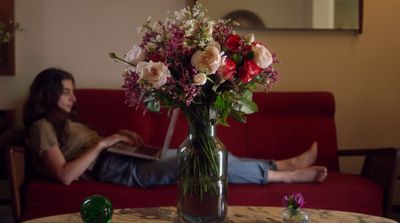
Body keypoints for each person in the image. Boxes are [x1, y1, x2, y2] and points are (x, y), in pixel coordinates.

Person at [23, 68, 328, 187]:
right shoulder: (41, 127)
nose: (73, 97)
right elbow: (65, 175)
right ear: (48, 93)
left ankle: (279, 164)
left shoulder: (66, 122)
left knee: (204, 150)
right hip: (115, 167)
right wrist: (103, 144)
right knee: (200, 164)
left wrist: (120, 139)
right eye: (66, 92)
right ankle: (285, 176)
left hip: (121, 156)